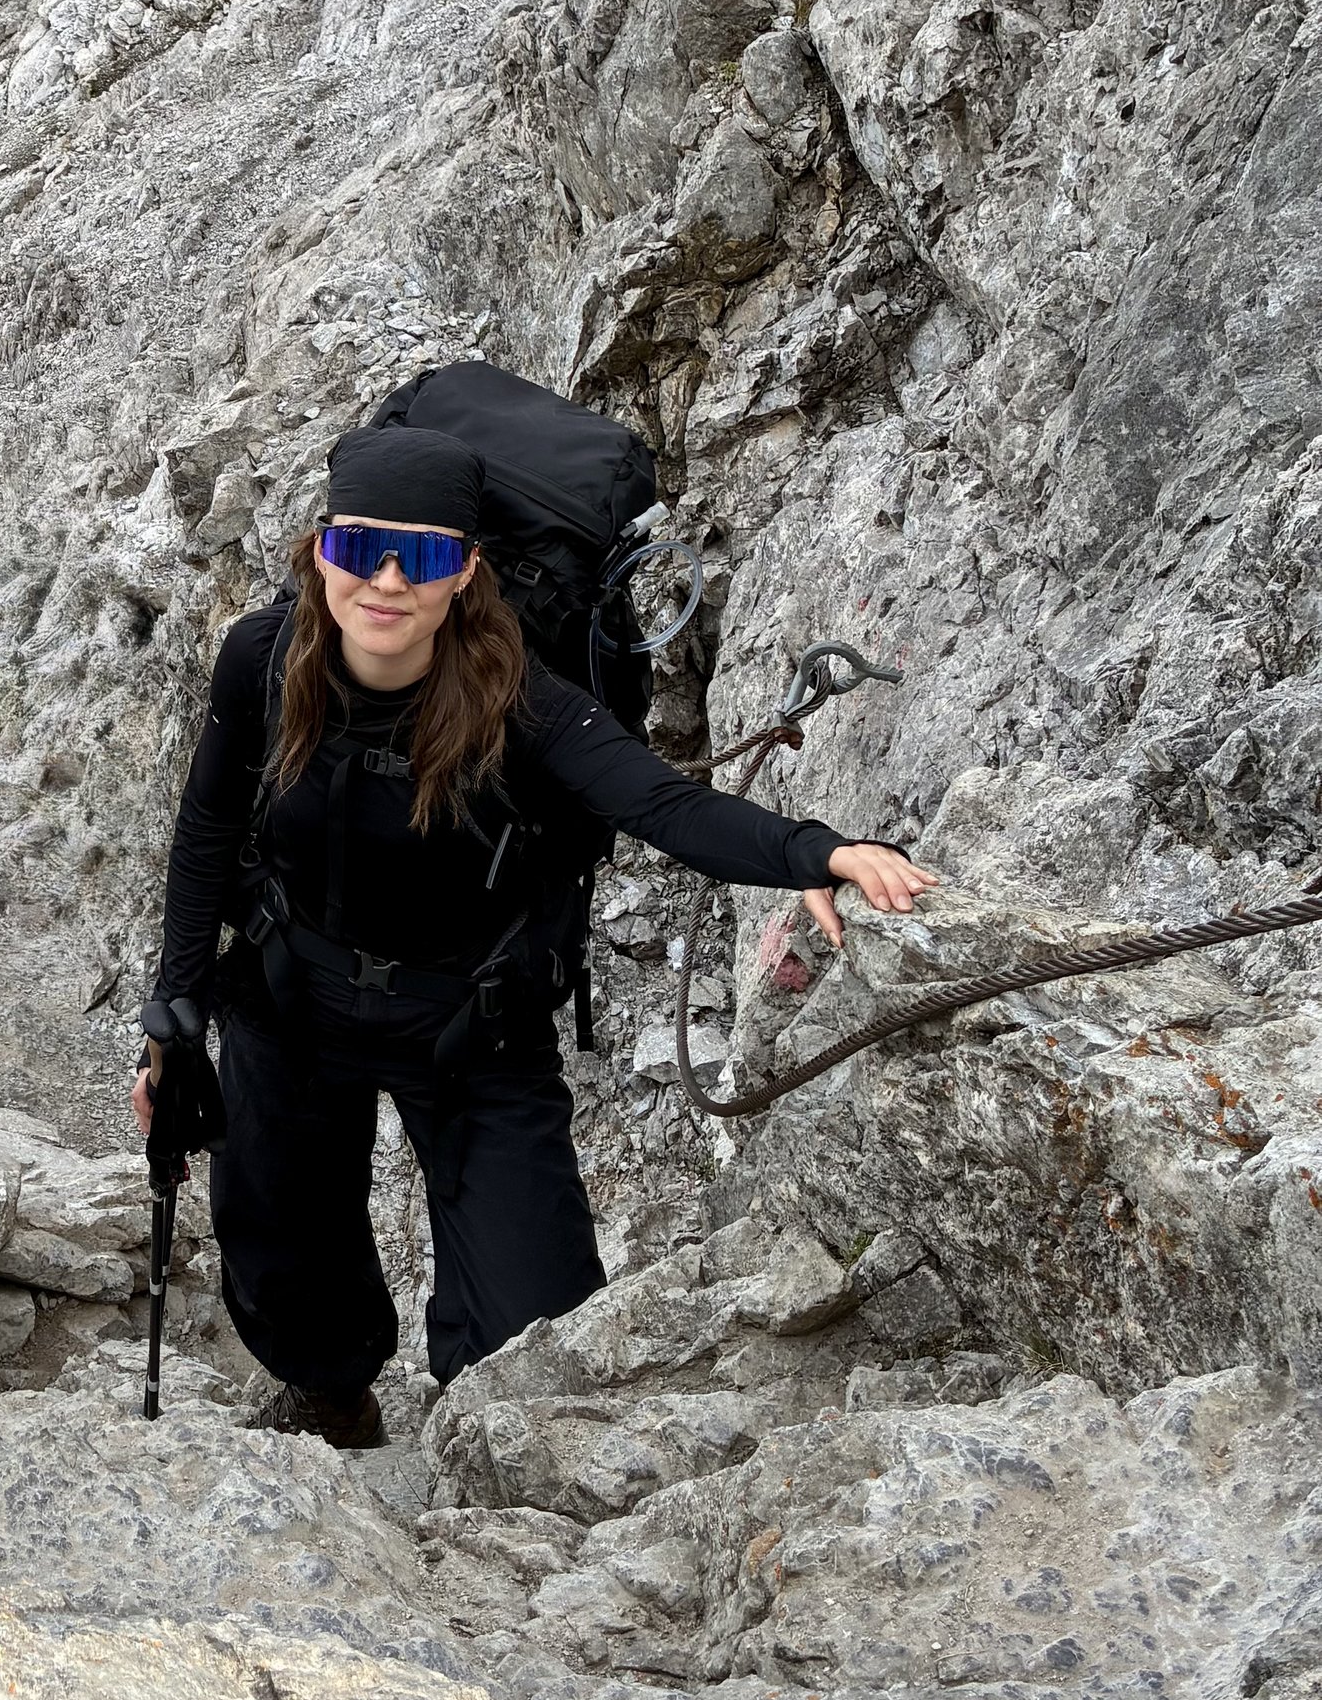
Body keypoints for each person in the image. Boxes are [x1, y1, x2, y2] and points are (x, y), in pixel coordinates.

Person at [134, 421, 939, 1447]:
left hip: (472, 1022)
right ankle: (331, 1393)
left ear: (465, 571)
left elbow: (662, 804)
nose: (385, 580)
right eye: (357, 548)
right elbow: (206, 828)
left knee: (538, 1347)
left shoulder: (519, 697)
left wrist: (818, 852)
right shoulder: (260, 659)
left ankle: (485, 1451)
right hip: (290, 1001)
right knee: (279, 1248)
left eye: (421, 554)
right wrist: (176, 1008)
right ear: (318, 550)